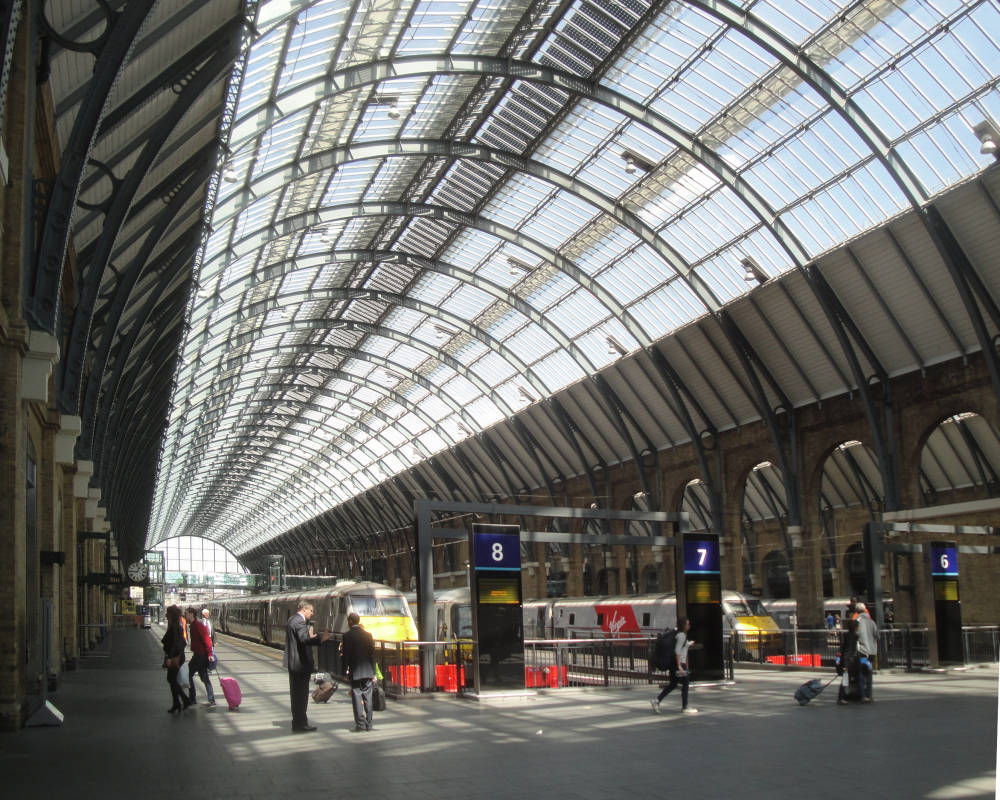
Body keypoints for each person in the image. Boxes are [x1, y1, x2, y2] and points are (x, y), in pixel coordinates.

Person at [284, 601, 330, 732]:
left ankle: (298, 722)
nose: (312, 613)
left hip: (294, 664)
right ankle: (300, 724)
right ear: (304, 609)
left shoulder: (292, 619)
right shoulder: (299, 621)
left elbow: (301, 638)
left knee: (296, 695)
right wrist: (321, 638)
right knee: (301, 696)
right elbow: (304, 639)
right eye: (311, 611)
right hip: (300, 665)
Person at [649, 617, 698, 715]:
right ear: (683, 625)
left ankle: (657, 701)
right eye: (687, 624)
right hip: (679, 664)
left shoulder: (677, 634)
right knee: (685, 684)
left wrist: (688, 644)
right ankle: (685, 707)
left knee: (673, 684)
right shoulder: (682, 636)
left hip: (673, 664)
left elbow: (680, 646)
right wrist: (680, 665)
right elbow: (677, 650)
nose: (689, 626)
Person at [340, 612, 377, 731]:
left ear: (350, 621)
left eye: (348, 621)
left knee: (356, 697)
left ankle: (360, 724)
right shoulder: (368, 635)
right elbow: (372, 655)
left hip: (355, 672)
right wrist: (374, 673)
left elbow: (346, 656)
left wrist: (343, 671)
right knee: (368, 697)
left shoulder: (347, 636)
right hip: (368, 672)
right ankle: (370, 724)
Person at [161, 605, 192, 713]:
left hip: (175, 657)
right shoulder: (175, 624)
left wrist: (170, 657)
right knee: (171, 680)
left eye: (167, 612)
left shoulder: (175, 626)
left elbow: (175, 643)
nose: (166, 614)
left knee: (172, 680)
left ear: (172, 614)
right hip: (177, 656)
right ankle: (177, 704)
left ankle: (184, 700)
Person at [185, 606, 216, 707]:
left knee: (188, 674)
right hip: (200, 655)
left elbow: (207, 640)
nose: (185, 616)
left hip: (200, 656)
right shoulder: (194, 625)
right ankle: (211, 700)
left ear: (191, 614)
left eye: (186, 614)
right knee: (204, 677)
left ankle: (192, 698)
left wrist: (210, 654)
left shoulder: (197, 626)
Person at [855, 602, 878, 702]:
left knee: (860, 673)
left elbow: (856, 635)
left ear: (856, 611)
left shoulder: (857, 621)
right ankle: (870, 695)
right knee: (869, 673)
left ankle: (862, 695)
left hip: (862, 651)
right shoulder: (872, 622)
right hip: (872, 651)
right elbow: (877, 635)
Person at [837, 618, 860, 704]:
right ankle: (841, 697)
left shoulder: (845, 635)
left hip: (846, 659)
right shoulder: (854, 636)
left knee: (847, 679)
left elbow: (843, 648)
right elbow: (851, 650)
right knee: (846, 679)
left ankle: (844, 696)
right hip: (849, 660)